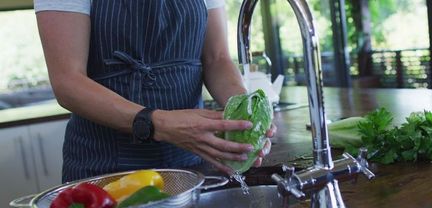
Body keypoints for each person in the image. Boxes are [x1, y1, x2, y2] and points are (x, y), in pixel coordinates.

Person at [34, 0, 275, 182]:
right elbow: (68, 81)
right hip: (105, 167)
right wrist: (158, 124)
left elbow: (217, 58)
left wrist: (245, 118)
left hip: (192, 164)